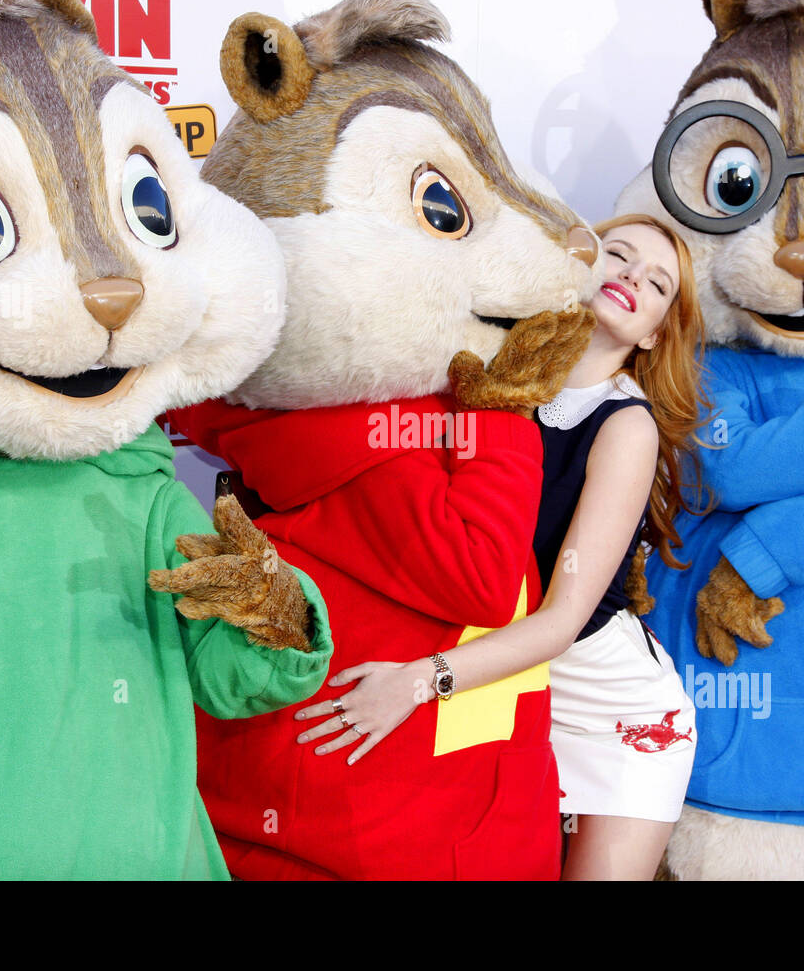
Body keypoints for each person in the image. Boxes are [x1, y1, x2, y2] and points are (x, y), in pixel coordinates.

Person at [294, 214, 713, 879]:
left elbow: (560, 620)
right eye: (621, 255)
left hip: (612, 714)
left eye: (656, 282)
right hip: (507, 696)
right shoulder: (486, 374)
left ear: (656, 330)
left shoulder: (627, 424)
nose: (633, 275)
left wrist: (414, 681)